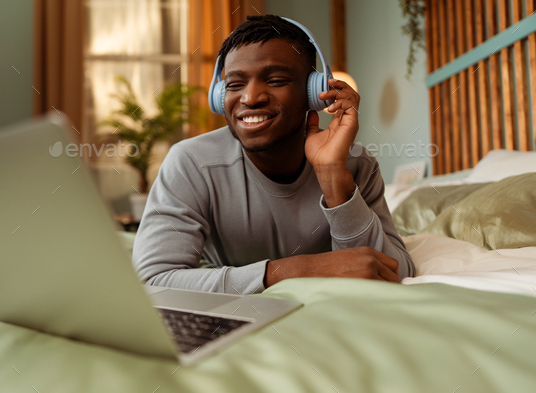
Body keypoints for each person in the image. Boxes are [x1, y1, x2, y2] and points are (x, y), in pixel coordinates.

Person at [132, 15, 415, 294]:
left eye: (276, 80)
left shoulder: (356, 165)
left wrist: (332, 174)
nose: (251, 97)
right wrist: (297, 270)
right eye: (234, 84)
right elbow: (152, 283)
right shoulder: (190, 164)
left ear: (314, 92)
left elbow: (394, 271)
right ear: (219, 97)